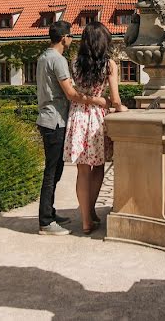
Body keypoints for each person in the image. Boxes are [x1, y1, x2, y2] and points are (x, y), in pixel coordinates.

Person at [36, 21, 108, 236]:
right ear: (64, 38)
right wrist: (97, 100)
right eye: (70, 36)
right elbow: (71, 94)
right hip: (55, 120)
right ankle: (46, 221)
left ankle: (50, 212)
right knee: (51, 173)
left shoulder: (43, 57)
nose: (72, 40)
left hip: (46, 117)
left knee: (56, 171)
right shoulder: (58, 60)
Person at [63, 22, 128, 234]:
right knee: (98, 166)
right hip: (97, 119)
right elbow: (115, 99)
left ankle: (85, 220)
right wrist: (119, 107)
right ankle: (90, 211)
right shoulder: (109, 65)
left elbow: (73, 92)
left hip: (78, 117)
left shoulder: (74, 63)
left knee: (82, 171)